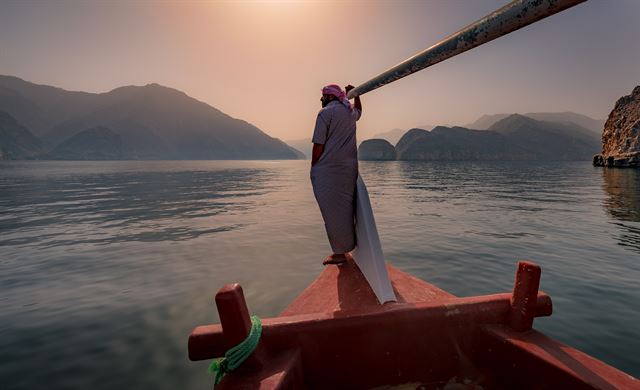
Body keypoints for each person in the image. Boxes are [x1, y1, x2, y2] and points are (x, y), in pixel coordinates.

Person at [310, 84, 363, 265]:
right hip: (349, 169)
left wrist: (314, 166)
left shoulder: (324, 114)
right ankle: (348, 246)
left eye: (323, 95)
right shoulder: (349, 111)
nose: (321, 99)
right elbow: (359, 112)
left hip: (328, 170)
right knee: (345, 208)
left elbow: (318, 144)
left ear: (330, 96)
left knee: (331, 212)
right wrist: (356, 94)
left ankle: (339, 254)